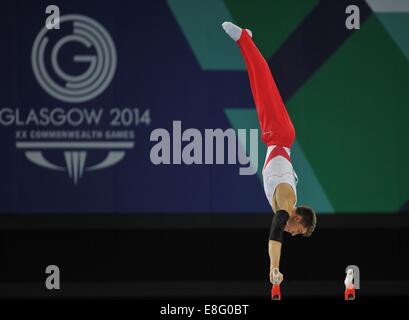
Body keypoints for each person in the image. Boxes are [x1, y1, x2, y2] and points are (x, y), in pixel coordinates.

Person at [222, 22, 317, 285]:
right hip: (279, 134)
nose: (293, 234)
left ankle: (248, 41)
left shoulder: (286, 204)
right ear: (298, 217)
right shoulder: (287, 201)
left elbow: (278, 229)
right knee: (263, 79)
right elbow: (276, 231)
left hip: (274, 138)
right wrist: (273, 268)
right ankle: (242, 37)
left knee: (257, 84)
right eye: (298, 231)